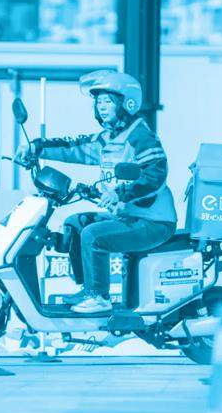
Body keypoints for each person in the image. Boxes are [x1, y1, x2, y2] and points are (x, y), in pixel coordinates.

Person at [15, 70, 177, 314]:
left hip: (154, 222)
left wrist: (121, 193)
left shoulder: (140, 136)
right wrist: (36, 147)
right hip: (129, 217)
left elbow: (156, 173)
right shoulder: (109, 138)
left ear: (126, 103)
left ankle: (99, 297)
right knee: (75, 223)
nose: (101, 107)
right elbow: (74, 146)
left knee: (93, 235)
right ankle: (88, 289)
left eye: (108, 101)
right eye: (98, 101)